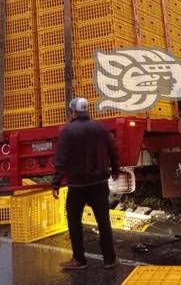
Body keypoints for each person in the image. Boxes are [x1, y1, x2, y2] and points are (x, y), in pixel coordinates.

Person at [52, 98, 119, 270]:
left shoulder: (68, 131)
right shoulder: (100, 128)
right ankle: (109, 259)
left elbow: (61, 159)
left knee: (74, 220)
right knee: (103, 221)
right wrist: (116, 170)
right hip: (100, 182)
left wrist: (56, 183)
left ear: (73, 112)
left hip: (78, 185)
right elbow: (112, 150)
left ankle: (79, 259)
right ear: (87, 110)